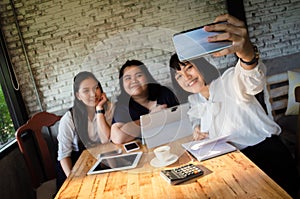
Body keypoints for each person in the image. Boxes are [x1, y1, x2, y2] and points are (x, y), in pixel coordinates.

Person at [169, 14, 298, 197]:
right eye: (179, 75)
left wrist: (247, 54)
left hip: (266, 155)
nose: (186, 77)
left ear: (200, 64)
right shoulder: (195, 100)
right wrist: (198, 129)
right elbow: (195, 119)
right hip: (235, 162)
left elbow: (252, 78)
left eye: (188, 67)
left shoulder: (229, 80)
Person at [56, 71, 114, 189]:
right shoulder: (69, 118)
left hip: (102, 160)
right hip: (76, 165)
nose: (93, 94)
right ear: (78, 95)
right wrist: (74, 182)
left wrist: (99, 110)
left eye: (96, 88)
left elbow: (106, 140)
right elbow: (64, 155)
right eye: (86, 90)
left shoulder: (109, 108)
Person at [111, 60, 179, 144]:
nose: (134, 81)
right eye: (128, 78)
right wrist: (151, 118)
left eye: (139, 75)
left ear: (147, 77)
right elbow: (118, 137)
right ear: (122, 84)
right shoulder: (122, 107)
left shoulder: (164, 92)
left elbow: (182, 118)